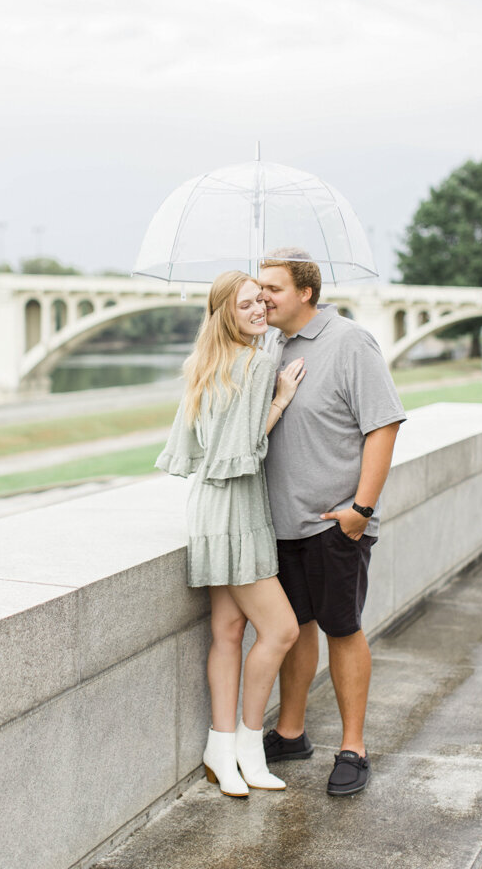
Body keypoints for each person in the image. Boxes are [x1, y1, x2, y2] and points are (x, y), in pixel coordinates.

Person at [258, 249, 406, 797]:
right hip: (280, 522)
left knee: (342, 628)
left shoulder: (350, 342)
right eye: (259, 288)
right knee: (296, 627)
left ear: (306, 293)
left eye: (272, 288)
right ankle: (291, 733)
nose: (262, 297)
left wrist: (360, 510)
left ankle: (353, 747)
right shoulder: (271, 345)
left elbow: (384, 426)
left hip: (332, 522)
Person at [156, 270, 306, 798]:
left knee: (227, 632)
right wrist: (280, 401)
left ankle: (219, 749)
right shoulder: (260, 362)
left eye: (261, 301)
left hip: (207, 508)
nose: (259, 311)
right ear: (226, 313)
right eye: (246, 305)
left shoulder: (205, 364)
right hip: (237, 510)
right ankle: (248, 747)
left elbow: (196, 447)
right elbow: (241, 453)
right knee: (281, 631)